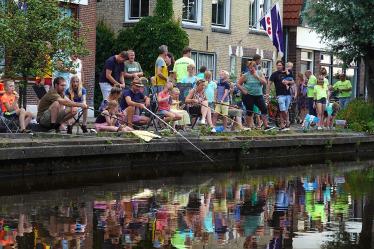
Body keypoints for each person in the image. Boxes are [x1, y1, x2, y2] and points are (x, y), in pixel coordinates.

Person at [238, 61, 272, 130]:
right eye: (249, 68)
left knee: (264, 109)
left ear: (255, 67)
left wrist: (257, 77)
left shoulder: (259, 73)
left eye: (252, 68)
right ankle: (249, 127)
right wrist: (243, 90)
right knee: (250, 110)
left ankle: (266, 126)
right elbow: (238, 84)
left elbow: (265, 83)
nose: (251, 69)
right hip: (248, 95)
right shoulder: (245, 75)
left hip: (258, 95)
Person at [269, 61, 294, 131]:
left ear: (283, 66)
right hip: (280, 95)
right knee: (282, 109)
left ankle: (282, 125)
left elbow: (293, 82)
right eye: (277, 65)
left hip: (288, 94)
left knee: (284, 110)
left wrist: (288, 82)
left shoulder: (288, 72)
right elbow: (269, 83)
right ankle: (287, 122)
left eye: (280, 65)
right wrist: (268, 93)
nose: (278, 66)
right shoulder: (274, 74)